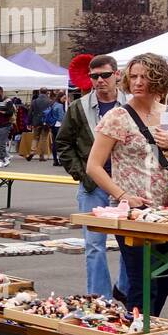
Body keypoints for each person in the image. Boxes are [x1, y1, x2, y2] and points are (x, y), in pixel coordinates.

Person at [85, 53, 168, 335]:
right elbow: (94, 166)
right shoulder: (118, 117)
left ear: (160, 79)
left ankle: (139, 328)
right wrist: (122, 195)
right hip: (135, 217)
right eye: (133, 75)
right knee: (145, 284)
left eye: (145, 76)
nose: (138, 81)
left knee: (166, 283)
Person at [56, 55, 129, 301]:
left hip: (125, 184)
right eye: (94, 76)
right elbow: (63, 144)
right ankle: (101, 299)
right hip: (93, 186)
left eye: (105, 75)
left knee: (131, 243)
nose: (99, 81)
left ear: (117, 75)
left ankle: (125, 291)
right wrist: (83, 174)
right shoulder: (80, 107)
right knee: (94, 245)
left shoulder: (130, 103)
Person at [27, 89, 53, 161]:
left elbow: (30, 113)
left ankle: (32, 151)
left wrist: (29, 123)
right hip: (46, 122)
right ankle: (42, 155)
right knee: (43, 138)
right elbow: (51, 112)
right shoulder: (50, 101)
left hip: (36, 122)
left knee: (35, 137)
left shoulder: (34, 101)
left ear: (39, 92)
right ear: (47, 92)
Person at [45, 92, 67, 165]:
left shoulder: (54, 104)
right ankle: (60, 160)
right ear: (60, 97)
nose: (65, 100)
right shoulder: (60, 106)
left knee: (54, 143)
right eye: (64, 98)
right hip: (59, 126)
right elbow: (61, 118)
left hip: (53, 125)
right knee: (60, 144)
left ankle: (55, 160)